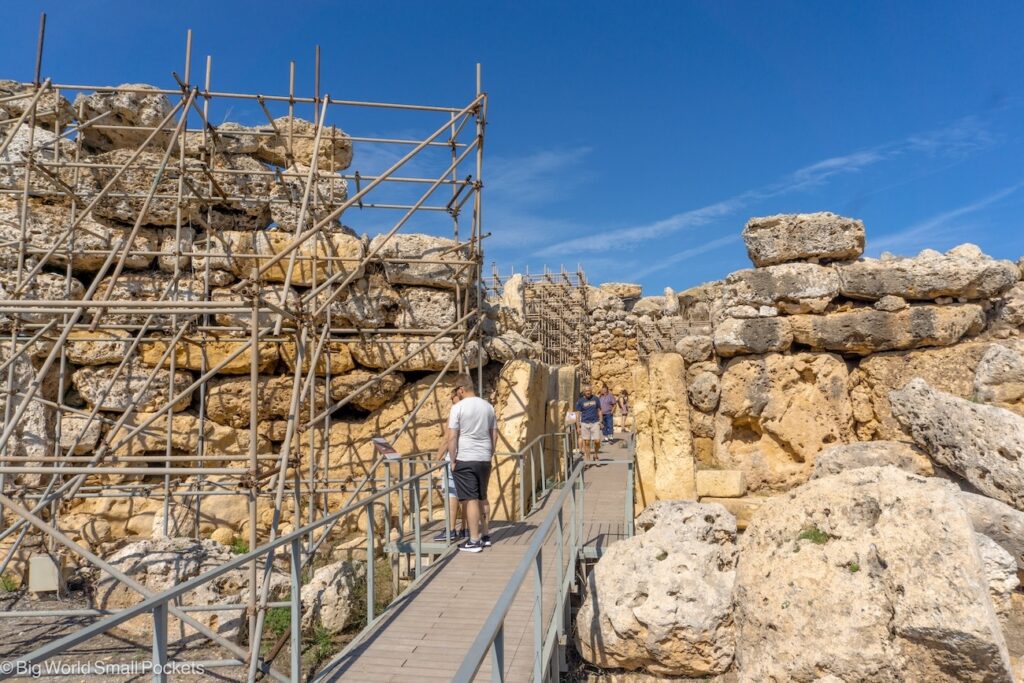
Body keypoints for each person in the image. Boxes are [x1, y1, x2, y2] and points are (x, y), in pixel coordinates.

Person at [447, 376, 497, 553]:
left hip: (466, 457)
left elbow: (452, 437)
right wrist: (489, 454)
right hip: (484, 457)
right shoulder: (488, 406)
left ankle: (474, 540)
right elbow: (494, 435)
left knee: (470, 498)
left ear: (461, 390)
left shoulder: (457, 408)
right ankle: (485, 535)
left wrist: (453, 460)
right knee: (482, 496)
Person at [433, 388, 466, 543]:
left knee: (452, 494)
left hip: (454, 457)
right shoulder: (473, 412)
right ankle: (465, 529)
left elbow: (447, 438)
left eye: (453, 399)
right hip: (469, 457)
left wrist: (437, 459)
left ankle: (451, 529)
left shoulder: (455, 412)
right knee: (466, 494)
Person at [575, 384, 602, 464]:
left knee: (597, 441)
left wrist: (601, 420)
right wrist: (578, 426)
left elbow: (599, 410)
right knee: (586, 442)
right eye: (586, 391)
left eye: (589, 390)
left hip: (595, 422)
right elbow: (578, 414)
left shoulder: (596, 399)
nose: (588, 392)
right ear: (584, 392)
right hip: (584, 423)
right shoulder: (580, 401)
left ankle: (596, 455)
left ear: (591, 391)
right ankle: (588, 459)